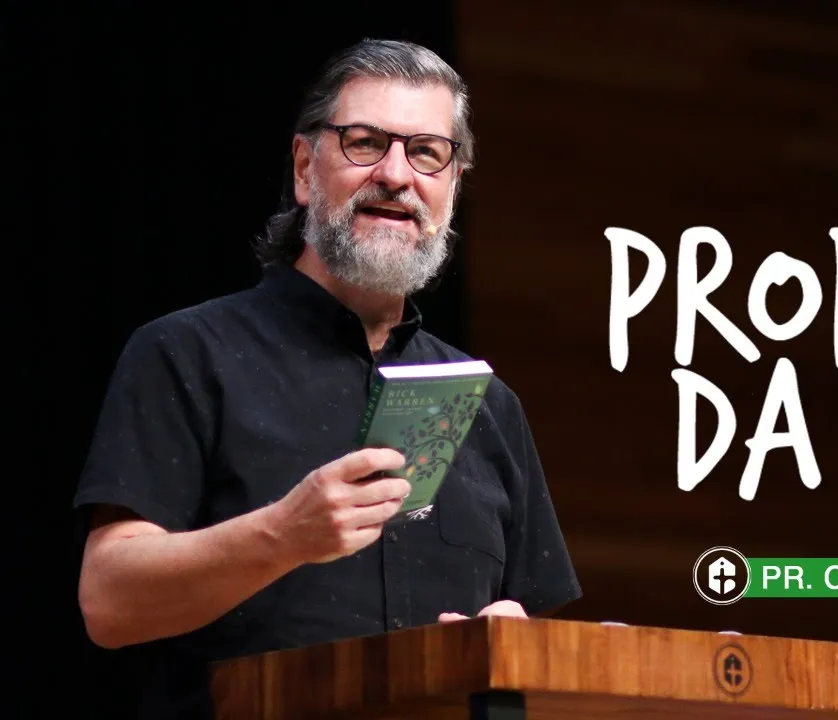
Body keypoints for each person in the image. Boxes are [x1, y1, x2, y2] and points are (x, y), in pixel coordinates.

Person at [72, 38, 581, 718]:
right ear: (305, 169)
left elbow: (530, 623)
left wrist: (514, 638)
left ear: (453, 186)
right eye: (365, 143)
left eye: (427, 152)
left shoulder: (489, 403)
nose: (396, 175)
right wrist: (283, 535)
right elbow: (109, 602)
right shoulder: (186, 354)